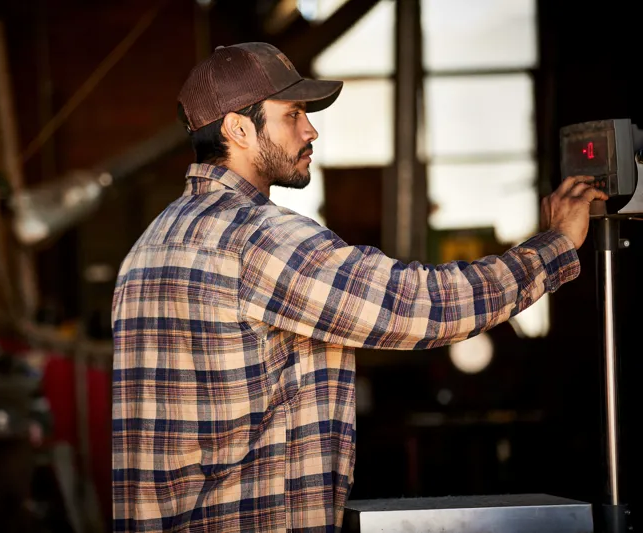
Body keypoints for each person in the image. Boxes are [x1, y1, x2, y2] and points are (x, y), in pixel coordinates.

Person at [111, 42, 606, 532]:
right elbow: (420, 305)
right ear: (237, 129)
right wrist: (555, 245)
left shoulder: (147, 249)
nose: (311, 130)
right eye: (293, 114)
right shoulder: (261, 240)